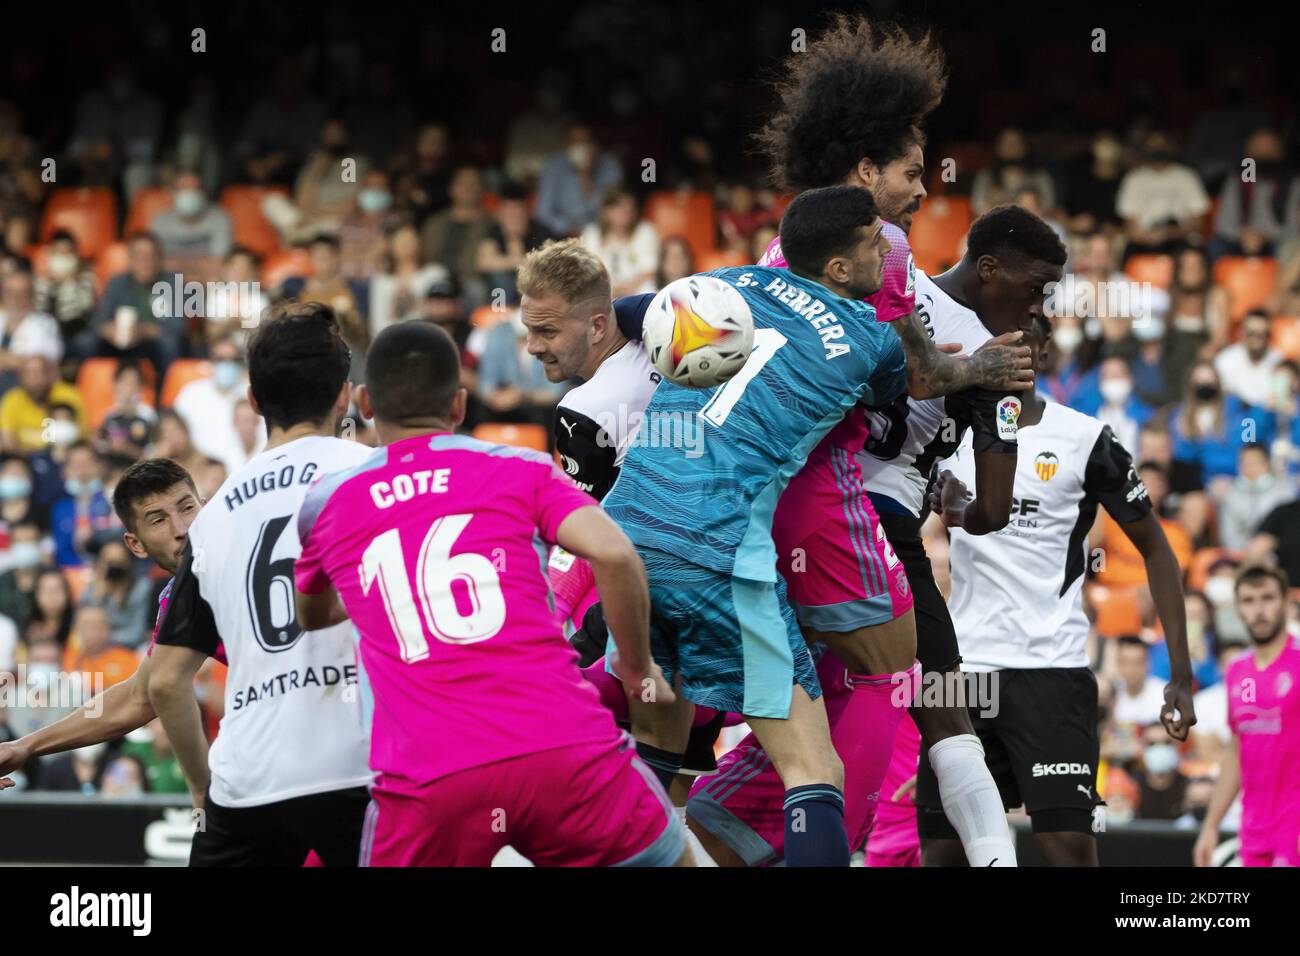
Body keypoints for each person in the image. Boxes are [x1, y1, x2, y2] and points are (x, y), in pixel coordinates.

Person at [691, 17, 1044, 869]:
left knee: (734, 709)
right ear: (864, 173)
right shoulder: (874, 252)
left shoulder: (785, 250)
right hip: (846, 509)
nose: (925, 190)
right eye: (912, 172)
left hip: (739, 509)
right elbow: (924, 380)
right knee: (928, 693)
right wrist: (991, 370)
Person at [293, 321, 690, 867]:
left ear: (363, 401)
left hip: (430, 778)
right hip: (562, 747)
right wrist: (640, 669)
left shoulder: (330, 504)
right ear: (458, 405)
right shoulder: (517, 468)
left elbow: (311, 614)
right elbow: (617, 554)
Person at [603, 185, 909, 867]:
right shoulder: (871, 338)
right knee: (812, 770)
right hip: (721, 553)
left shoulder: (720, 282)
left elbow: (631, 313)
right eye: (871, 243)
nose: (884, 253)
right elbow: (905, 389)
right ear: (837, 267)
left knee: (655, 740)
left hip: (628, 539)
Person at [918, 313, 1195, 865]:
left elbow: (1158, 552)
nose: (1015, 354)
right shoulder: (948, 433)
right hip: (961, 674)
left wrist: (1181, 675)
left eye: (1028, 344)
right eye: (1001, 342)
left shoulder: (1086, 438)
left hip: (1050, 672)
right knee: (945, 854)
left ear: (1044, 354)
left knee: (1067, 850)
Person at [149, 302, 375, 866]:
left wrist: (204, 792)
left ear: (253, 400)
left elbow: (166, 682)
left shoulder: (213, 515)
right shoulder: (378, 475)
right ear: (344, 396)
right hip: (362, 765)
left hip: (248, 777)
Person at [0, 458, 213, 806]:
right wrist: (26, 745)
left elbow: (158, 689)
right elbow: (139, 698)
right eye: (158, 519)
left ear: (205, 507)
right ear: (136, 545)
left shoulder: (241, 554)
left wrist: (201, 788)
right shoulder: (180, 597)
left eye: (188, 508)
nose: (182, 528)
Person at [1195, 565, 1300, 867]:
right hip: (1252, 828)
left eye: (1267, 598)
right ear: (1238, 609)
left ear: (1285, 602)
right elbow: (1237, 750)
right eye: (1249, 600)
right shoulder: (1238, 671)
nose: (1259, 610)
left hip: (1293, 824)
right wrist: (1211, 825)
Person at [579, 190, 660, 297]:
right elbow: (588, 270)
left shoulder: (645, 230)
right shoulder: (591, 234)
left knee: (648, 288)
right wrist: (612, 290)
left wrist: (629, 287)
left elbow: (651, 269)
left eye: (630, 209)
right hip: (602, 289)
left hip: (636, 289)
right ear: (605, 211)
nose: (626, 213)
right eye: (620, 208)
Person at [0, 355, 85, 454]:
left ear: (50, 375)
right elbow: (7, 441)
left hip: (63, 457)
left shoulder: (68, 395)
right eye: (29, 374)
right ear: (21, 378)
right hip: (24, 458)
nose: (35, 380)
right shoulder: (13, 398)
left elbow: (81, 435)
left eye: (39, 373)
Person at [1215, 309, 1283, 409]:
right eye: (1251, 333)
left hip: (1267, 418)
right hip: (1234, 416)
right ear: (1241, 333)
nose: (1255, 339)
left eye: (1261, 335)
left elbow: (1280, 402)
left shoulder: (1278, 361)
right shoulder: (1225, 360)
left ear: (1269, 335)